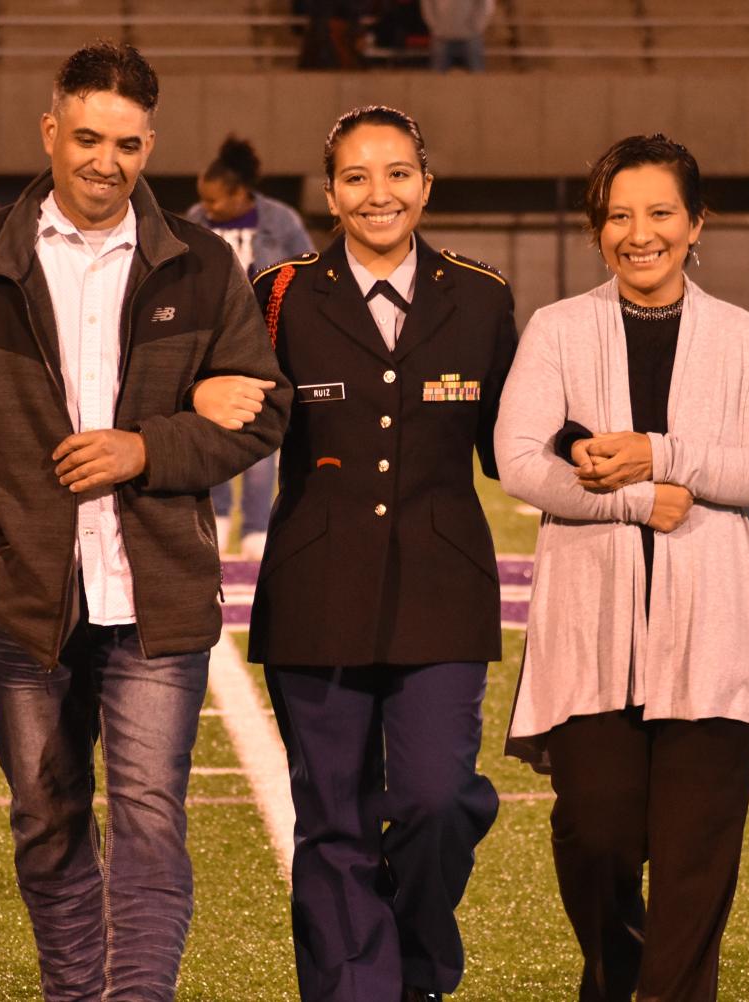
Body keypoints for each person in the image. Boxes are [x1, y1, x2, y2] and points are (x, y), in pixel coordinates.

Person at [0, 42, 290, 1001]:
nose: (106, 161)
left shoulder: (196, 262)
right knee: (48, 822)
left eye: (128, 144)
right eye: (87, 138)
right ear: (50, 131)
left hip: (158, 602)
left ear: (150, 144)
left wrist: (147, 449)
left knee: (150, 820)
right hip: (30, 601)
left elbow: (264, 408)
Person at [495, 134, 749, 1002]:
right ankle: (613, 976)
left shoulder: (747, 339)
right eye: (618, 215)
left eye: (660, 213)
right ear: (596, 231)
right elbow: (519, 462)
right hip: (592, 636)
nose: (639, 233)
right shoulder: (558, 329)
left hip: (713, 634)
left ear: (696, 223)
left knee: (697, 867)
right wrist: (632, 501)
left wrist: (661, 455)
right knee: (596, 834)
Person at [247, 105, 516, 1002]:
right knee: (333, 820)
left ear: (425, 185)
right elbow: (237, 421)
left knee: (439, 801)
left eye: (397, 173)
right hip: (314, 593)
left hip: (443, 592)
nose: (378, 193)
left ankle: (417, 967)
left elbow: (512, 446)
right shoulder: (279, 293)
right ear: (330, 194)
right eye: (356, 177)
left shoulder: (480, 296)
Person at [185, 135, 316, 558]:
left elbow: (306, 277)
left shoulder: (281, 221)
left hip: (264, 347)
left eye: (216, 200)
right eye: (203, 200)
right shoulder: (196, 219)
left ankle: (257, 526)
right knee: (211, 430)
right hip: (210, 348)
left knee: (261, 435)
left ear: (241, 193)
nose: (208, 208)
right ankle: (218, 516)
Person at [420, 0, 493, 72]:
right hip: (441, 36)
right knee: (437, 79)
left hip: (471, 36)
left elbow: (486, 5)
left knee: (477, 79)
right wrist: (435, 26)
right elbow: (427, 4)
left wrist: (477, 25)